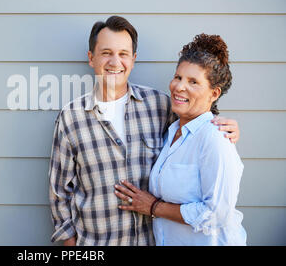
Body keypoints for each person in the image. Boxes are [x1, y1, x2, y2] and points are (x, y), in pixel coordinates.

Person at [49, 16, 240, 246]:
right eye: (106, 52)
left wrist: (224, 126)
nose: (115, 61)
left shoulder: (160, 106)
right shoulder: (71, 117)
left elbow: (197, 122)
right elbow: (59, 193)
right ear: (91, 58)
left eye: (123, 54)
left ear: (134, 59)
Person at [114, 34, 247, 245]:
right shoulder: (172, 131)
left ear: (214, 93)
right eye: (178, 77)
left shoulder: (215, 139)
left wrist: (153, 207)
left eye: (193, 82)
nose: (179, 87)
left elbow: (216, 214)